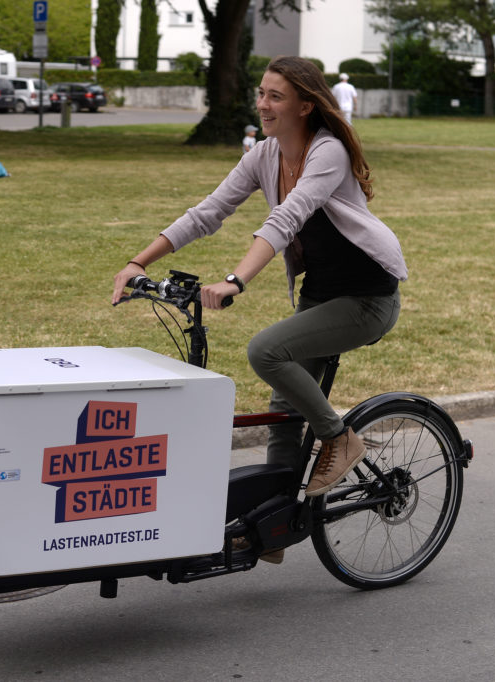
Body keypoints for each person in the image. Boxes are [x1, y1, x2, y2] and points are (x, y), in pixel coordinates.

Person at [112, 56, 406, 529]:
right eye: (261, 94)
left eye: (275, 97)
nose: (263, 105)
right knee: (284, 411)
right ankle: (271, 528)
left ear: (305, 106)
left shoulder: (326, 152)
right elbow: (208, 212)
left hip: (369, 297)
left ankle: (339, 438)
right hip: (321, 293)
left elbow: (286, 219)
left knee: (265, 351)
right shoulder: (264, 155)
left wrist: (236, 279)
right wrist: (138, 262)